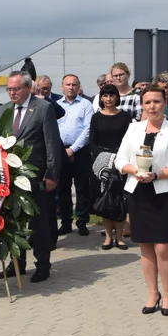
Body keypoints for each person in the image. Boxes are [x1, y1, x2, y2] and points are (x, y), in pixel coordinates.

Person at [115, 85, 168, 316]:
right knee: (145, 247)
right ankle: (152, 293)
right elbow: (119, 160)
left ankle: (167, 294)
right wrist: (134, 170)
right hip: (138, 191)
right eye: (147, 102)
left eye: (156, 101)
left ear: (165, 103)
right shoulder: (133, 128)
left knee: (163, 247)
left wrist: (156, 175)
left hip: (164, 192)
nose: (152, 106)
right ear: (142, 105)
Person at [0, 71, 62, 283]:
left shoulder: (43, 108)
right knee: (13, 222)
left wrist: (51, 174)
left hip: (36, 176)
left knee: (38, 223)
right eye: (9, 89)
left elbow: (52, 144)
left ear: (27, 88)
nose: (12, 93)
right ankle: (16, 263)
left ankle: (43, 265)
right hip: (9, 177)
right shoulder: (3, 110)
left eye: (15, 89)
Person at [89, 84, 133, 250]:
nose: (108, 99)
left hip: (121, 162)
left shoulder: (125, 117)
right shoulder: (96, 117)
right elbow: (92, 142)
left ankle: (120, 238)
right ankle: (108, 237)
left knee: (119, 201)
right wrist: (105, 157)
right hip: (101, 165)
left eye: (111, 95)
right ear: (101, 98)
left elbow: (128, 140)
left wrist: (117, 158)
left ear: (117, 97)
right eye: (105, 96)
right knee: (105, 201)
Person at [56, 74, 94, 237]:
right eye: (68, 84)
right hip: (60, 150)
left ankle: (82, 221)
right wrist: (62, 149)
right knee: (62, 188)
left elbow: (88, 129)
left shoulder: (86, 105)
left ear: (78, 87)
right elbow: (53, 128)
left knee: (82, 187)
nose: (71, 87)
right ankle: (65, 221)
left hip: (80, 151)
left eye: (74, 84)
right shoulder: (56, 105)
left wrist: (73, 149)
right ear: (62, 87)